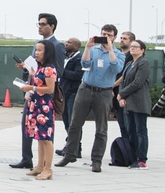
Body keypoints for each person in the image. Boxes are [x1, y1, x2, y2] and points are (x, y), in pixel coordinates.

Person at [55, 25, 123, 173]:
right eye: (103, 34)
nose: (105, 37)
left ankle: (96, 160)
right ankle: (70, 154)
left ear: (114, 37)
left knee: (101, 128)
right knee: (74, 124)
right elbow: (85, 64)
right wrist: (87, 48)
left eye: (108, 35)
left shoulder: (118, 53)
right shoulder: (94, 50)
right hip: (85, 88)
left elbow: (116, 69)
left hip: (104, 92)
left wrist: (110, 49)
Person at [10, 13, 65, 169]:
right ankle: (27, 158)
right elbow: (37, 67)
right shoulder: (38, 43)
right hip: (33, 92)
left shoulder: (57, 46)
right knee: (27, 125)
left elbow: (58, 71)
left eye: (42, 24)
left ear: (52, 26)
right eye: (38, 24)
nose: (39, 27)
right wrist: (28, 69)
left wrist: (41, 78)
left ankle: (46, 165)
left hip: (45, 94)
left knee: (45, 131)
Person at [19, 40, 58, 179]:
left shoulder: (49, 69)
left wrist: (31, 88)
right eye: (36, 50)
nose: (37, 53)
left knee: (46, 138)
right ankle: (40, 165)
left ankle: (48, 169)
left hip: (44, 107)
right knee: (39, 137)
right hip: (35, 105)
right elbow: (38, 79)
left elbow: (50, 89)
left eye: (40, 50)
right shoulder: (40, 69)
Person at [117, 39, 150, 169]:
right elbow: (123, 81)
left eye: (136, 47)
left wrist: (121, 94)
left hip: (139, 101)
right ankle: (132, 156)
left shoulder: (144, 63)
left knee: (140, 130)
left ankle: (142, 159)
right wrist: (121, 97)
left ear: (142, 50)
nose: (133, 48)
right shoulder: (130, 63)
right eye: (132, 46)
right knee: (131, 130)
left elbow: (137, 82)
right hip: (128, 102)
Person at [55, 37, 84, 158]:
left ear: (77, 46)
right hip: (64, 91)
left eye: (69, 43)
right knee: (66, 120)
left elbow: (78, 75)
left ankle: (76, 148)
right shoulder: (66, 57)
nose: (66, 44)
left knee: (73, 121)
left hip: (73, 92)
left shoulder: (79, 58)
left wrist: (61, 72)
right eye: (66, 42)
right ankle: (70, 145)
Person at [111, 31, 135, 142]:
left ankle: (130, 150)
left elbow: (125, 75)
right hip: (115, 93)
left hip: (124, 93)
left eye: (125, 38)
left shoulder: (131, 56)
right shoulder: (118, 54)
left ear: (131, 41)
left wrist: (112, 85)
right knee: (121, 124)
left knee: (127, 125)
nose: (121, 40)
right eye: (120, 38)